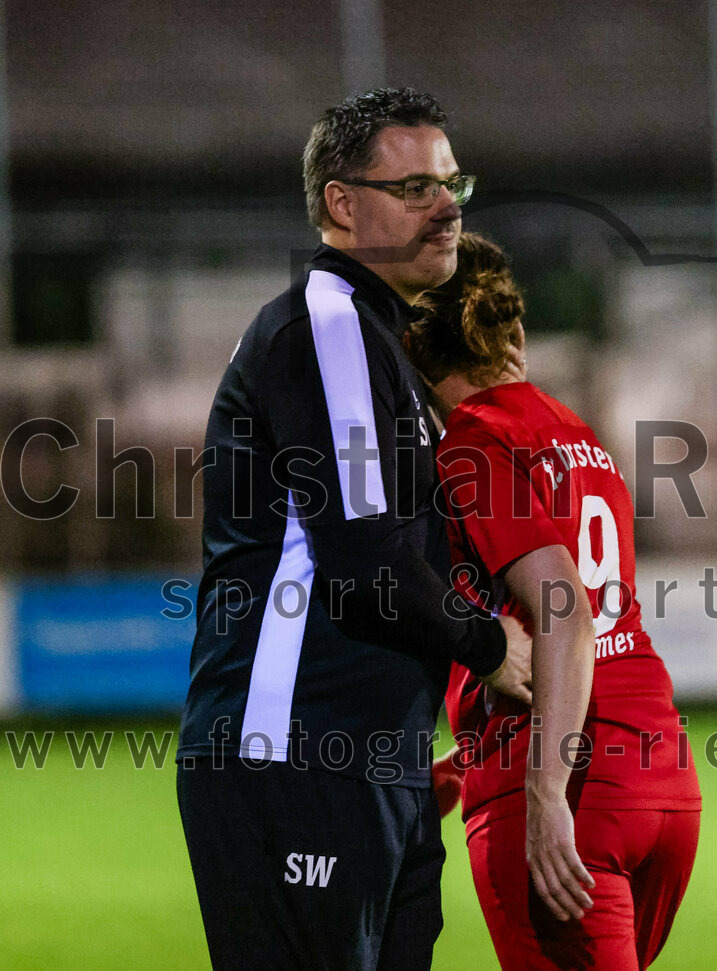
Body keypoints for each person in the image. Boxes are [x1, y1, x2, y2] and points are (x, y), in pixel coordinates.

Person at [175, 89, 531, 970]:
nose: (447, 207)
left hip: (372, 758)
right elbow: (365, 553)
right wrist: (491, 648)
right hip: (296, 749)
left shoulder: (377, 343)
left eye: (455, 184)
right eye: (416, 188)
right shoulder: (329, 322)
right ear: (342, 204)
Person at [406, 233, 702, 970]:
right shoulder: (574, 432)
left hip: (565, 781)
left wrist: (545, 794)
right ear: (515, 333)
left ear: (413, 347)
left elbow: (563, 613)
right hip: (659, 777)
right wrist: (457, 763)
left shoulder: (470, 443)